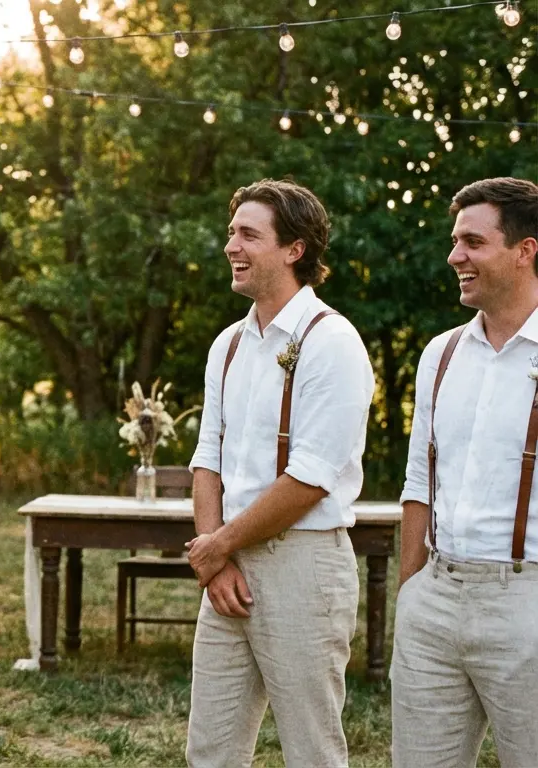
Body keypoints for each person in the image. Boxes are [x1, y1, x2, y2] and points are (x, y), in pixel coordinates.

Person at [184, 179, 374, 767]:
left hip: (304, 565)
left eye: (248, 234)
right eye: (230, 233)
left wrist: (217, 544)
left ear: (295, 249)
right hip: (228, 564)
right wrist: (218, 560)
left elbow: (311, 478)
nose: (231, 247)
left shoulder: (333, 342)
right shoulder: (229, 345)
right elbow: (207, 459)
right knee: (210, 750)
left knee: (311, 750)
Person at [391, 177, 538, 767]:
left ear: (525, 250)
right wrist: (411, 597)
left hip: (526, 598)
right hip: (436, 597)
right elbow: (417, 486)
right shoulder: (441, 353)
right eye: (455, 242)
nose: (455, 257)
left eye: (472, 242)